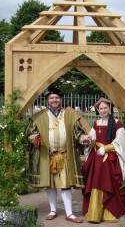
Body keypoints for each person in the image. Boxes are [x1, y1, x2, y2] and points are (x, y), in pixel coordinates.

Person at [26, 87, 90, 224]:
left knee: (66, 184)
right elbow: (29, 134)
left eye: (56, 98)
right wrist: (34, 138)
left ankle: (69, 213)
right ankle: (53, 210)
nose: (54, 100)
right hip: (47, 155)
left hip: (65, 155)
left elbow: (77, 133)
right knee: (51, 184)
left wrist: (83, 138)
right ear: (47, 100)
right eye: (51, 98)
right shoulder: (38, 116)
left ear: (60, 99)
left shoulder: (70, 115)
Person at [80, 97, 125, 223]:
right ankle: (95, 214)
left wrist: (107, 148)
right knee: (96, 181)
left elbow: (121, 142)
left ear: (110, 108)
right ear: (98, 110)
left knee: (111, 183)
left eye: (105, 108)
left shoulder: (117, 123)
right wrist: (88, 139)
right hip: (97, 158)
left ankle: (111, 213)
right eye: (101, 108)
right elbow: (93, 137)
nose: (103, 110)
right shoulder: (96, 123)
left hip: (110, 159)